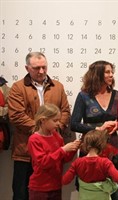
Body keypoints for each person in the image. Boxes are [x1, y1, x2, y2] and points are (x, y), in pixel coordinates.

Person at [8, 52, 70, 200]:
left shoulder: (58, 86)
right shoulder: (17, 87)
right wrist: (40, 131)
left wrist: (56, 128)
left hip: (51, 150)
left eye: (44, 67)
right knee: (21, 192)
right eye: (36, 68)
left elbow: (65, 111)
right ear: (27, 68)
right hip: (24, 151)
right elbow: (16, 115)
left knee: (50, 193)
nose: (41, 71)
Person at [70, 60, 118, 200]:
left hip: (112, 147)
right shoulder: (83, 95)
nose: (111, 75)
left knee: (115, 190)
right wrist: (97, 128)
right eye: (107, 72)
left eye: (112, 72)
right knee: (90, 191)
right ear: (97, 74)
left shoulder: (117, 95)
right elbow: (74, 124)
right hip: (90, 148)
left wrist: (117, 125)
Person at [27, 103, 80, 200]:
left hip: (55, 186)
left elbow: (64, 158)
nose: (58, 123)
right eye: (55, 120)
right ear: (43, 120)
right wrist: (63, 150)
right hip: (40, 188)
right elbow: (43, 162)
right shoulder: (34, 139)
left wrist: (73, 148)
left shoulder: (56, 136)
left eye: (58, 120)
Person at [63, 129, 118, 200]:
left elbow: (65, 180)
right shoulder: (105, 162)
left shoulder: (77, 162)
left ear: (85, 144)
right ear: (102, 144)